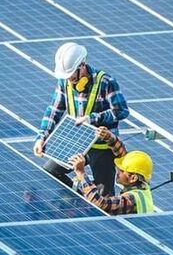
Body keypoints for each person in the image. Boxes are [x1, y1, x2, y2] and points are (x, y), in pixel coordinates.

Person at [33, 42, 129, 196]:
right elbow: (54, 111)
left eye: (71, 75)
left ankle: (94, 203)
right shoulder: (64, 82)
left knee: (104, 195)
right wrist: (41, 137)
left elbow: (122, 111)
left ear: (82, 65)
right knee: (50, 172)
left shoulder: (105, 82)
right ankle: (81, 198)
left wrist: (92, 118)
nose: (69, 79)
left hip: (102, 147)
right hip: (76, 142)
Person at [69, 126, 154, 215]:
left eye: (121, 170)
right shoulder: (142, 183)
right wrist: (110, 137)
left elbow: (101, 205)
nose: (118, 172)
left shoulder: (131, 199)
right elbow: (122, 155)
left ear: (133, 178)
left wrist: (81, 173)